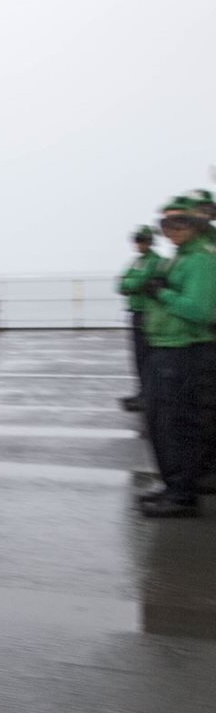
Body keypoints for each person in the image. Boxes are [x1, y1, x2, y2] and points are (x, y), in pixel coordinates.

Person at [136, 190, 216, 518]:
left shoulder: (200, 260)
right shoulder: (179, 256)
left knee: (179, 424)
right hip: (166, 348)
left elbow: (200, 310)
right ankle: (175, 486)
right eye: (166, 223)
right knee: (163, 424)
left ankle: (182, 495)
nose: (172, 229)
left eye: (180, 221)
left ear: (197, 223)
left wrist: (162, 293)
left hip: (185, 351)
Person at [116, 226, 162, 412]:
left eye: (142, 240)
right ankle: (143, 393)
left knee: (148, 357)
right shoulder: (137, 262)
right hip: (136, 313)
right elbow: (122, 283)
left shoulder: (154, 261)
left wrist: (131, 283)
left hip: (148, 314)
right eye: (137, 240)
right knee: (139, 358)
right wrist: (131, 283)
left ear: (150, 241)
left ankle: (150, 395)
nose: (139, 244)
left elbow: (138, 282)